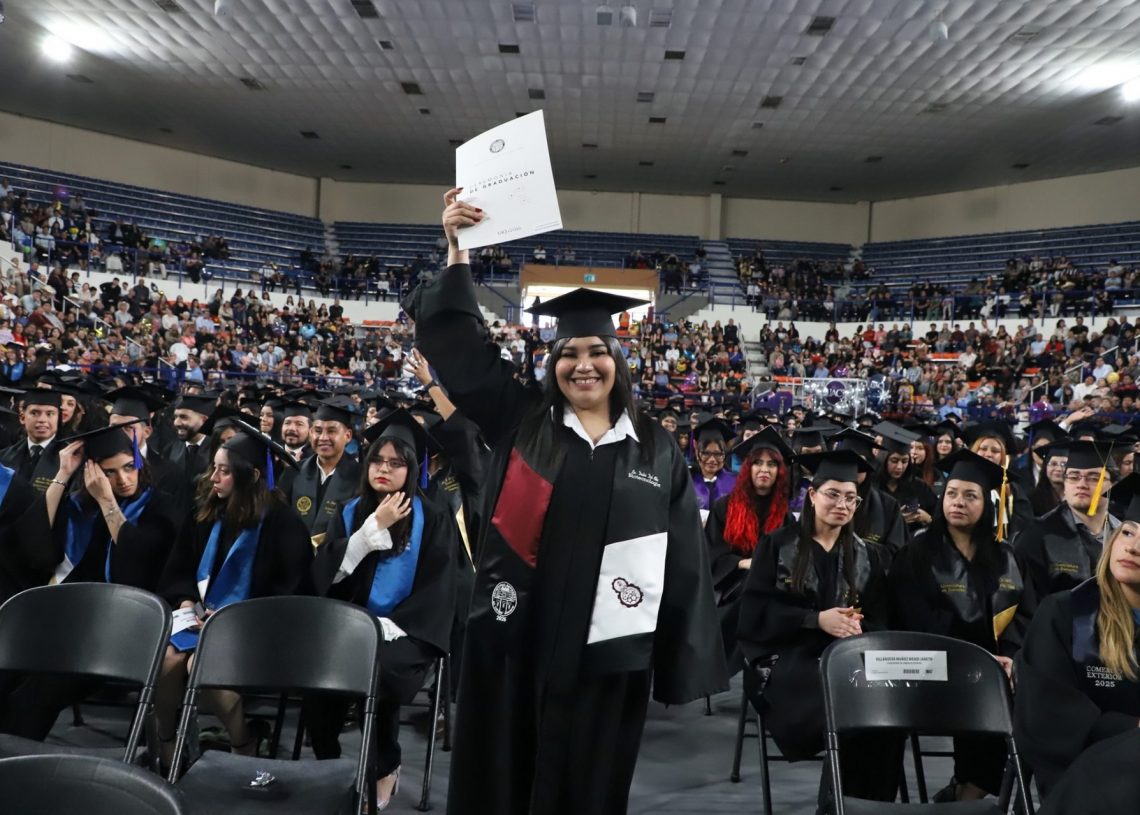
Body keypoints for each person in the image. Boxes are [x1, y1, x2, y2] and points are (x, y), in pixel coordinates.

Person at [401, 188, 726, 815]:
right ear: (552, 364)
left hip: (608, 656)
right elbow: (461, 353)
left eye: (597, 352)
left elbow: (683, 556)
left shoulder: (654, 448)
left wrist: (679, 657)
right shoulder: (522, 419)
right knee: (507, 782)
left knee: (589, 789)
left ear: (618, 362)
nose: (584, 365)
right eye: (569, 354)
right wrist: (457, 251)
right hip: (518, 642)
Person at [309, 410, 457, 809]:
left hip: (408, 631)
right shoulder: (351, 512)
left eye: (396, 463)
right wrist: (370, 531)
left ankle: (385, 764)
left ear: (412, 469)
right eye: (377, 460)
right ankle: (327, 762)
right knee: (320, 665)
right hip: (350, 624)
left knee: (377, 667)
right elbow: (327, 577)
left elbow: (439, 588)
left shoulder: (435, 517)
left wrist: (391, 626)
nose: (384, 470)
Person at [737, 449, 899, 806]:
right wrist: (815, 620)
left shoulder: (867, 555)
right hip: (788, 660)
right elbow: (752, 615)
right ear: (812, 495)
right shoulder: (778, 545)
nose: (842, 505)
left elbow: (880, 618)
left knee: (886, 713)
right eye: (833, 494)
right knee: (853, 705)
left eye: (851, 498)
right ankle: (838, 803)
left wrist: (860, 626)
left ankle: (864, 806)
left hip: (847, 660)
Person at [0, 423, 181, 741]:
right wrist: (63, 474)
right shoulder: (81, 509)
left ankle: (13, 762)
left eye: (129, 467)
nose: (123, 480)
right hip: (64, 625)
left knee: (35, 695)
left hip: (116, 633)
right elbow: (35, 550)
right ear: (92, 474)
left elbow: (138, 566)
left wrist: (108, 501)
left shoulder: (160, 507)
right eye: (110, 472)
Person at [153, 422, 312, 767]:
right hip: (199, 617)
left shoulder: (284, 524)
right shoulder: (206, 513)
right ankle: (167, 736)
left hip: (255, 627)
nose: (213, 478)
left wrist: (234, 617)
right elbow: (178, 570)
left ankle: (242, 739)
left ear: (252, 475)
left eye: (224, 471)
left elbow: (291, 594)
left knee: (202, 664)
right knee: (166, 661)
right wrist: (185, 603)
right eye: (214, 468)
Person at [888, 450, 1032, 802]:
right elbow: (911, 619)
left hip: (993, 670)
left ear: (986, 504)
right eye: (951, 493)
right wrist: (972, 659)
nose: (958, 502)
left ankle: (969, 790)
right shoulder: (916, 554)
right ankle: (968, 793)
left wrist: (1012, 657)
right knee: (986, 690)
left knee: (1016, 692)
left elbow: (1024, 614)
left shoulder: (1005, 556)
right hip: (933, 668)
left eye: (970, 496)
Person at [1014, 472, 1140, 798]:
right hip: (1085, 778)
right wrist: (1132, 730)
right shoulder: (1064, 614)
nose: (1133, 547)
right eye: (1128, 532)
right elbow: (1047, 714)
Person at [704, 428, 792, 671]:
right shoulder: (724, 507)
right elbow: (711, 553)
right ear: (747, 468)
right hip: (732, 586)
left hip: (772, 586)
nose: (764, 469)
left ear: (779, 471)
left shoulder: (784, 514)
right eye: (757, 463)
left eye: (772, 464)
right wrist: (742, 563)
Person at [1014, 441, 1119, 601]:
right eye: (1074, 477)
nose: (1082, 484)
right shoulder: (1036, 535)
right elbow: (1024, 602)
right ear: (1065, 483)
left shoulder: (1125, 535)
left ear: (1114, 485)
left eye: (1094, 478)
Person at [278, 397, 361, 544]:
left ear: (348, 436)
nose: (323, 437)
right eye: (317, 431)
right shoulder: (293, 472)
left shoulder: (361, 477)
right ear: (311, 433)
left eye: (331, 431)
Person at [829, 428, 909, 552]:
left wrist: (856, 549)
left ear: (868, 467)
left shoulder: (888, 505)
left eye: (859, 464)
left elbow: (896, 551)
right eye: (846, 462)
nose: (852, 469)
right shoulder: (824, 500)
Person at [875, 423, 937, 533]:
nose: (900, 467)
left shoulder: (919, 486)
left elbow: (939, 517)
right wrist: (896, 520)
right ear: (884, 459)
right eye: (894, 461)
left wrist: (927, 518)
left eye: (905, 461)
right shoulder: (871, 485)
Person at [0, 389, 62, 492]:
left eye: (50, 414)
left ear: (58, 418)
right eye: (34, 413)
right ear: (22, 418)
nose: (42, 420)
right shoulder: (3, 457)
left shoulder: (70, 460)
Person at [690, 416, 738, 512]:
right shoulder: (686, 481)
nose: (712, 459)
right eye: (706, 453)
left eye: (718, 454)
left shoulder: (735, 482)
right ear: (697, 452)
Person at [166, 393, 216, 482]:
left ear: (204, 420)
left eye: (184, 417)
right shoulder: (170, 449)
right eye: (175, 417)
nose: (176, 423)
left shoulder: (216, 450)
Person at [1029, 441, 1068, 517]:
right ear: (1045, 467)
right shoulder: (1033, 499)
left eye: (1064, 464)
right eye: (1053, 464)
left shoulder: (1077, 497)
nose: (1059, 469)